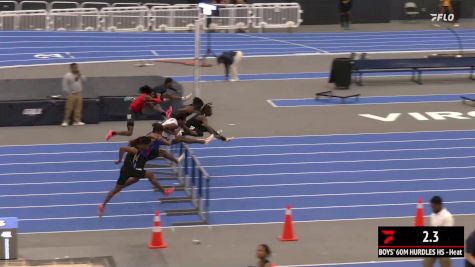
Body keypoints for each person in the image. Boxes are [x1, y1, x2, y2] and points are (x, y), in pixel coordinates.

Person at [98, 136, 175, 217]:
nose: (148, 147)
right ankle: (164, 191)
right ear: (142, 144)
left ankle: (102, 205)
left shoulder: (140, 146)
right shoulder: (134, 149)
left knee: (120, 187)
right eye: (147, 145)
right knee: (150, 175)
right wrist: (119, 160)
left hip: (124, 171)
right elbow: (122, 148)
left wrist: (157, 139)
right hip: (132, 170)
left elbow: (150, 141)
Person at [105, 85, 172, 141]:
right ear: (148, 92)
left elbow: (155, 102)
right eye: (151, 92)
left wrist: (161, 99)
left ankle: (165, 113)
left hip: (136, 112)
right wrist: (158, 95)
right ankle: (112, 133)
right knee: (129, 133)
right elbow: (158, 100)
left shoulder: (144, 96)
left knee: (151, 104)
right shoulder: (146, 96)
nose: (152, 94)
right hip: (131, 113)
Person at [423, 196, 454, 267]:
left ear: (439, 205)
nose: (432, 208)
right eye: (431, 206)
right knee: (426, 263)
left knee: (445, 264)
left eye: (434, 206)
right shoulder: (432, 215)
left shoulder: (447, 216)